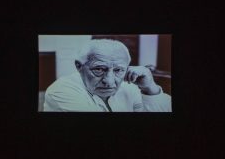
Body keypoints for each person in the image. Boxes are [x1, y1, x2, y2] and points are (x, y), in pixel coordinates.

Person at [44, 39, 172, 112]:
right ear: (79, 66)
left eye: (118, 70)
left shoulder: (130, 86)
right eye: (99, 69)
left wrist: (150, 89)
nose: (110, 82)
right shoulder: (61, 91)